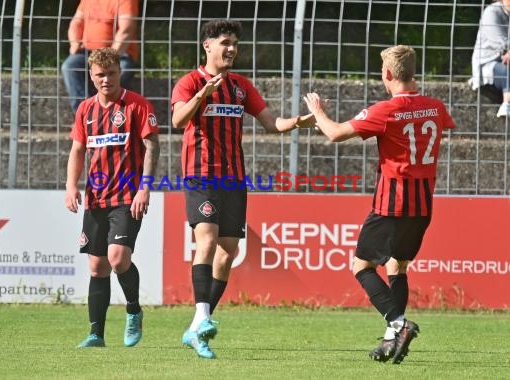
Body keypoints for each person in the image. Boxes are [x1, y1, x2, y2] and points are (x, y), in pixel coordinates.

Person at [170, 19, 315, 359]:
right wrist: (202, 95)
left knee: (228, 252)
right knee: (205, 240)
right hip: (201, 175)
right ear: (207, 46)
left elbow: (270, 124)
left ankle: (197, 325)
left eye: (235, 43)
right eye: (225, 42)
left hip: (234, 178)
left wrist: (298, 122)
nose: (232, 48)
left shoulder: (240, 86)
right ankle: (203, 317)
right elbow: (177, 121)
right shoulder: (190, 82)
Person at [303, 45, 456, 364]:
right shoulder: (436, 107)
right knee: (396, 266)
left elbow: (334, 134)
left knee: (360, 265)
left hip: (391, 203)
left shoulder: (386, 110)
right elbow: (437, 127)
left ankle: (399, 324)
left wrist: (318, 112)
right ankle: (391, 340)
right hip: (422, 204)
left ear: (387, 74)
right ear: (413, 72)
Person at [65, 47, 160, 348]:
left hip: (127, 197)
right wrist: (71, 186)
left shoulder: (136, 105)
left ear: (120, 73)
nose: (106, 79)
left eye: (111, 73)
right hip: (96, 199)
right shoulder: (85, 110)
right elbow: (77, 151)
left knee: (118, 258)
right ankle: (96, 334)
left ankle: (133, 310)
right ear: (91, 77)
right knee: (97, 267)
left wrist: (145, 187)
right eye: (100, 75)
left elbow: (152, 147)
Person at [62, 0, 140, 114]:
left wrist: (110, 58)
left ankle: (107, 116)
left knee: (119, 72)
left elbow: (126, 30)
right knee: (69, 66)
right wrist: (74, 43)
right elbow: (76, 22)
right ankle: (86, 115)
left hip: (120, 54)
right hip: (87, 52)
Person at [469, 0, 510, 117]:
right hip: (488, 63)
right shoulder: (492, 12)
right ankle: (506, 104)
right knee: (505, 71)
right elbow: (500, 42)